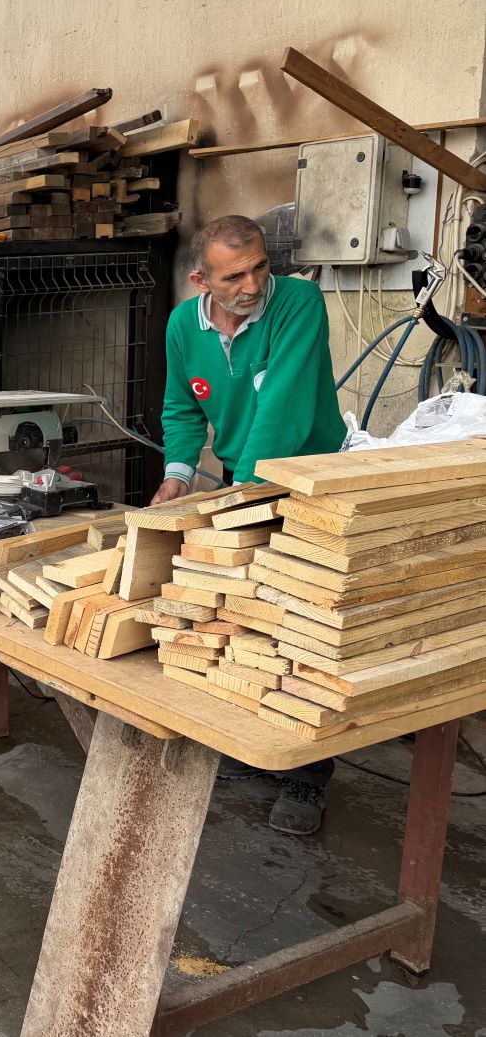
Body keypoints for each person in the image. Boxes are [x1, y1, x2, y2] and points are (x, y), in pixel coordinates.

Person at [153, 214, 346, 835]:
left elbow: (281, 408)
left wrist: (238, 500)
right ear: (200, 281)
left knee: (303, 625)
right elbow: (182, 407)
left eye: (260, 266)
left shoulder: (299, 304)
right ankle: (255, 736)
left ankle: (308, 773)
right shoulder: (183, 325)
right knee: (239, 613)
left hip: (308, 475)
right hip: (244, 476)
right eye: (233, 276)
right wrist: (178, 475)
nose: (253, 284)